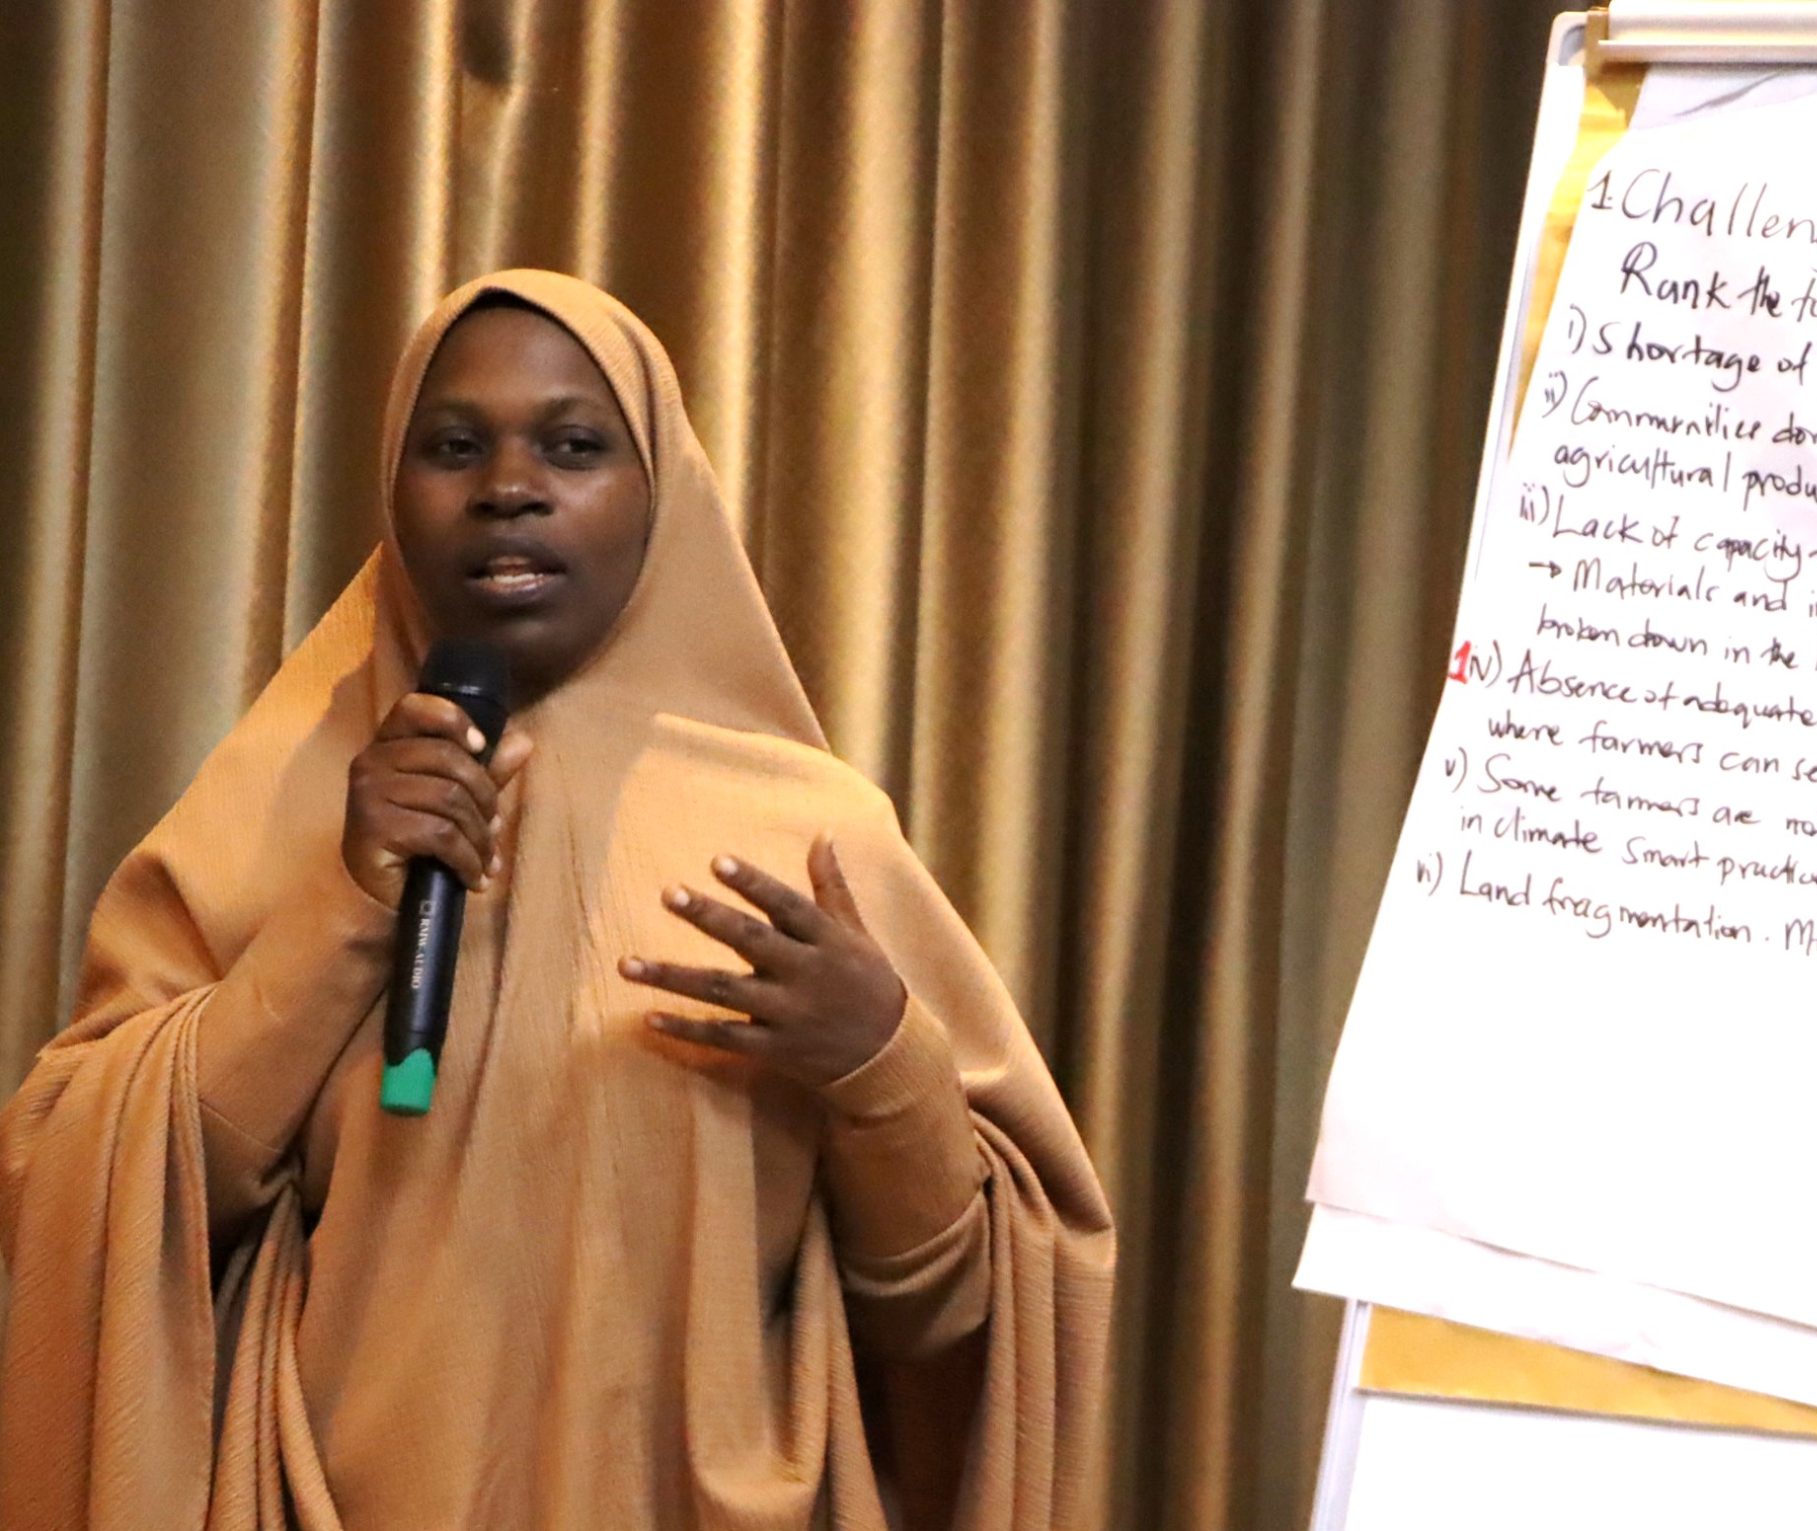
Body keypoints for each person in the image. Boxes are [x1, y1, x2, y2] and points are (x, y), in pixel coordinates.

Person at [0, 271, 1112, 1529]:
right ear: (394, 491)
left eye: (574, 446)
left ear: (665, 496)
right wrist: (343, 907)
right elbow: (84, 1200)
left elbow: (957, 1319)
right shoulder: (283, 802)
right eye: (454, 447)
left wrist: (878, 1062)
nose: (507, 487)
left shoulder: (813, 833)